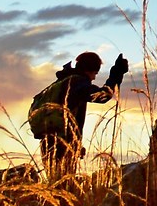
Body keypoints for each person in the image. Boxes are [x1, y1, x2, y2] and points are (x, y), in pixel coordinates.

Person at [27, 51, 125, 179]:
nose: (94, 78)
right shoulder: (77, 82)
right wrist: (116, 75)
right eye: (95, 73)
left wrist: (77, 144)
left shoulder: (61, 82)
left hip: (48, 140)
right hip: (62, 143)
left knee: (55, 181)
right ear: (89, 70)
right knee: (64, 183)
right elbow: (102, 96)